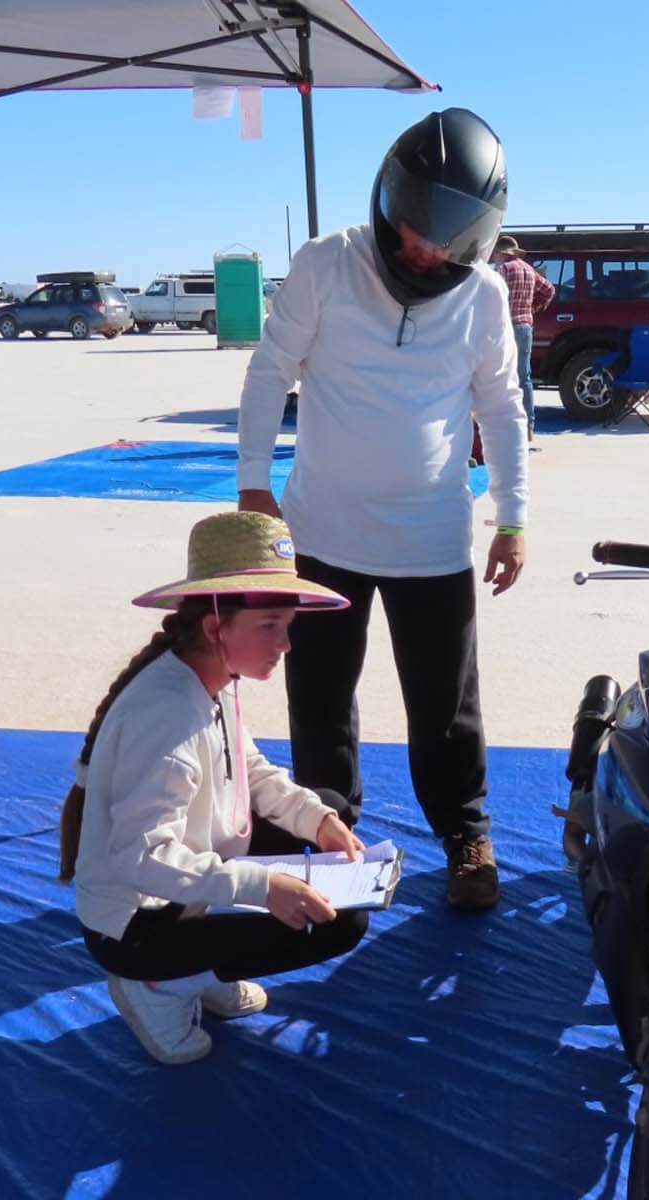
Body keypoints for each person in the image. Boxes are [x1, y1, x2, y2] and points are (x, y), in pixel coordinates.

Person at [235, 107, 528, 912]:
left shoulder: (483, 295)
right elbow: (269, 371)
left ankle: (465, 834)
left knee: (446, 705)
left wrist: (511, 517)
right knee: (320, 699)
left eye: (447, 239)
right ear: (388, 199)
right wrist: (253, 483)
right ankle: (327, 831)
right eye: (414, 229)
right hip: (321, 531)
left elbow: (502, 409)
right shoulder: (325, 264)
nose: (425, 251)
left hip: (431, 538)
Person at [63, 511, 369, 1066]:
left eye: (287, 626)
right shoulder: (166, 717)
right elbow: (140, 856)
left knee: (331, 808)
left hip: (184, 894)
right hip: (135, 927)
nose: (285, 644)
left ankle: (202, 969)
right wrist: (263, 886)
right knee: (339, 924)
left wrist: (316, 820)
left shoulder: (211, 676)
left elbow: (249, 769)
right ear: (215, 628)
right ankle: (159, 983)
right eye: (270, 626)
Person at [491, 235, 553, 438]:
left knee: (500, 375)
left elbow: (491, 295)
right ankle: (528, 426)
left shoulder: (502, 270)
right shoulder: (529, 269)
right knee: (524, 376)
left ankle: (505, 424)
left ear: (502, 253)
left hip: (505, 326)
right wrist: (534, 308)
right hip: (525, 326)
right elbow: (549, 290)